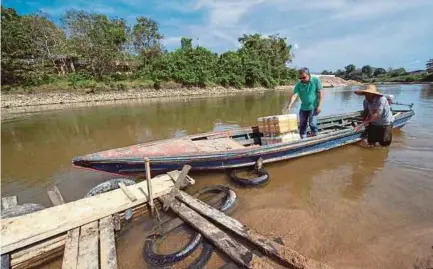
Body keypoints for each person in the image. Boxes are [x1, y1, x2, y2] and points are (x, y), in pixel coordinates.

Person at [286, 68, 323, 139]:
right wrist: (289, 106)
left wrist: (320, 106)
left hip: (314, 106)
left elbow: (321, 93)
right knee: (302, 124)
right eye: (300, 78)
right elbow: (294, 95)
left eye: (304, 77)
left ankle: (315, 135)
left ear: (308, 75)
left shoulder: (315, 80)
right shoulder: (299, 85)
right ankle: (303, 137)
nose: (302, 79)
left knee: (312, 123)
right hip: (303, 108)